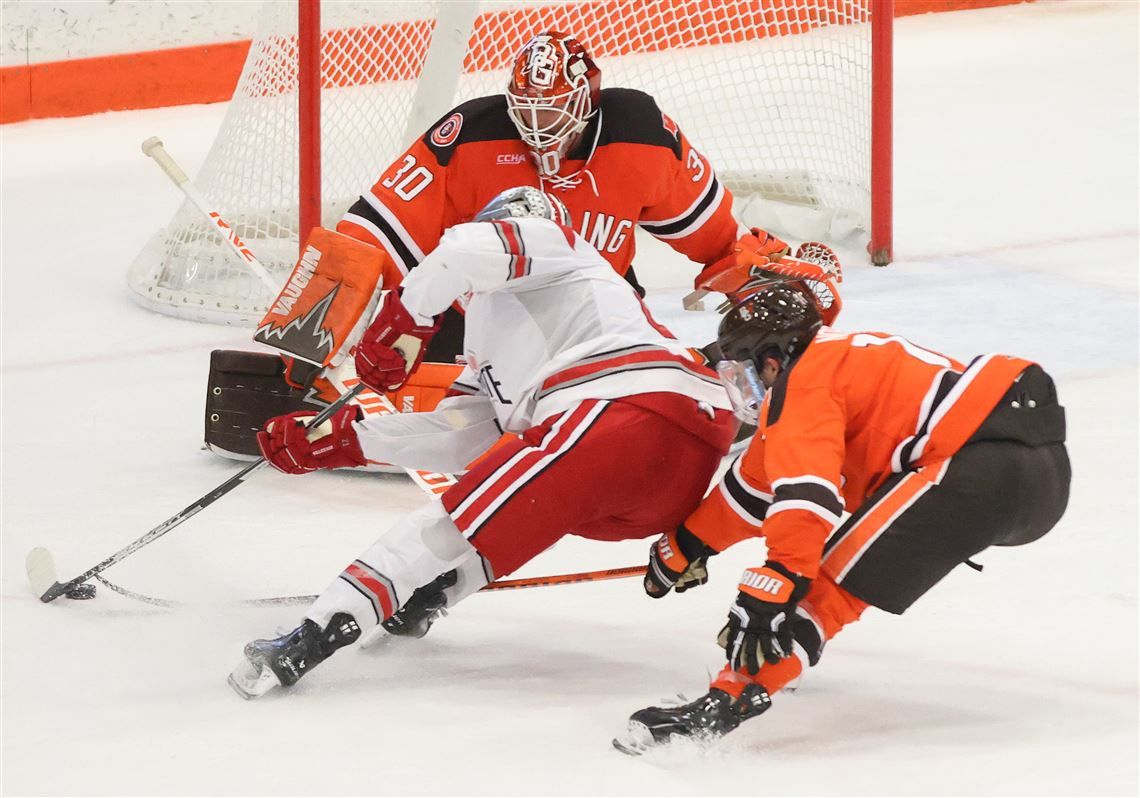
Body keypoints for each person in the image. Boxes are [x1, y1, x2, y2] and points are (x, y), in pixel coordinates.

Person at [227, 186, 739, 699]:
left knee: (451, 522)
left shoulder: (558, 246)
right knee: (525, 500)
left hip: (626, 412)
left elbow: (461, 252)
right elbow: (465, 435)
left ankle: (308, 639)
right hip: (676, 468)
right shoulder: (492, 332)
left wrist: (403, 318)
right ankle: (429, 594)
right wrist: (343, 440)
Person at [205, 30, 791, 461]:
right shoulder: (471, 135)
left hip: (600, 316)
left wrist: (761, 293)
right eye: (527, 109)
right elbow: (368, 234)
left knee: (646, 394)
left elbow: (721, 244)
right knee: (481, 403)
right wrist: (301, 347)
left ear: (587, 101)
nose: (538, 125)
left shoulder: (642, 135)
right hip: (480, 320)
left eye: (554, 109)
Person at [614, 285, 1071, 753]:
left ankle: (726, 703)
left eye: (746, 372)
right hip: (1039, 477)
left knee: (820, 591)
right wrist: (685, 546)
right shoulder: (836, 361)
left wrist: (779, 578)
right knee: (824, 588)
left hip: (974, 468)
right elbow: (754, 489)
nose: (748, 389)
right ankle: (754, 678)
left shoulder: (805, 380)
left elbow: (806, 494)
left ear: (773, 358)